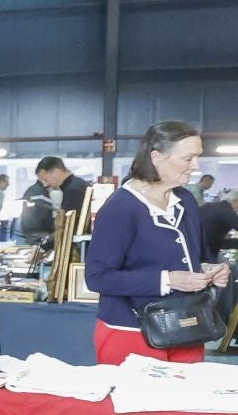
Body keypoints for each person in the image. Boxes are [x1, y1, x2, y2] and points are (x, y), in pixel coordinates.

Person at [86, 120, 230, 365]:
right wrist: (168, 280)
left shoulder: (186, 200)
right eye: (188, 158)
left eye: (197, 157)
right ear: (157, 157)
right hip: (131, 332)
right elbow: (98, 277)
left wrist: (210, 270)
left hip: (189, 328)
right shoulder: (120, 209)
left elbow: (200, 257)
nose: (196, 166)